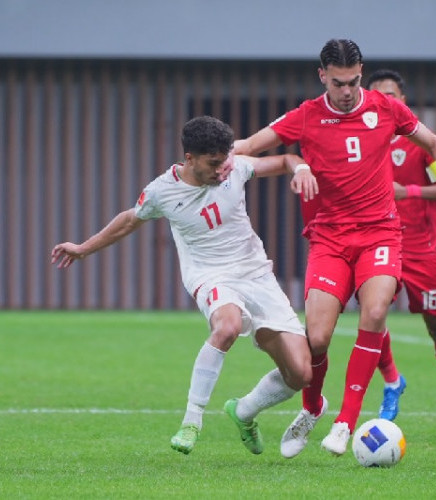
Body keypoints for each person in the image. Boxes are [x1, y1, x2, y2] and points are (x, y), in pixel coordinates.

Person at [233, 39, 436, 457]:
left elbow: (433, 142)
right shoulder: (306, 115)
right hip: (330, 238)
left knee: (374, 313)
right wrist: (203, 165)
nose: (348, 91)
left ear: (361, 72)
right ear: (323, 77)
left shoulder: (386, 108)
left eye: (354, 81)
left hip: (380, 233)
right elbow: (249, 145)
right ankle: (313, 409)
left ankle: (345, 423)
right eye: (338, 83)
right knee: (316, 337)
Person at [51, 116, 319, 456]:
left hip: (256, 274)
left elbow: (283, 160)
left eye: (225, 161)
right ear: (189, 158)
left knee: (300, 374)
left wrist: (302, 170)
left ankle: (244, 411)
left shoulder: (234, 167)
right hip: (210, 275)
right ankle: (192, 421)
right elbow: (129, 220)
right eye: (213, 164)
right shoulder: (162, 191)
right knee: (227, 327)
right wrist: (84, 248)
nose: (222, 170)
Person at [366, 68, 436, 437]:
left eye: (392, 96)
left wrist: (408, 191)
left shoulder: (422, 144)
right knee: (372, 316)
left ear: (403, 101)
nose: (386, 102)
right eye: (379, 96)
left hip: (423, 251)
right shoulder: (363, 142)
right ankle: (392, 382)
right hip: (381, 245)